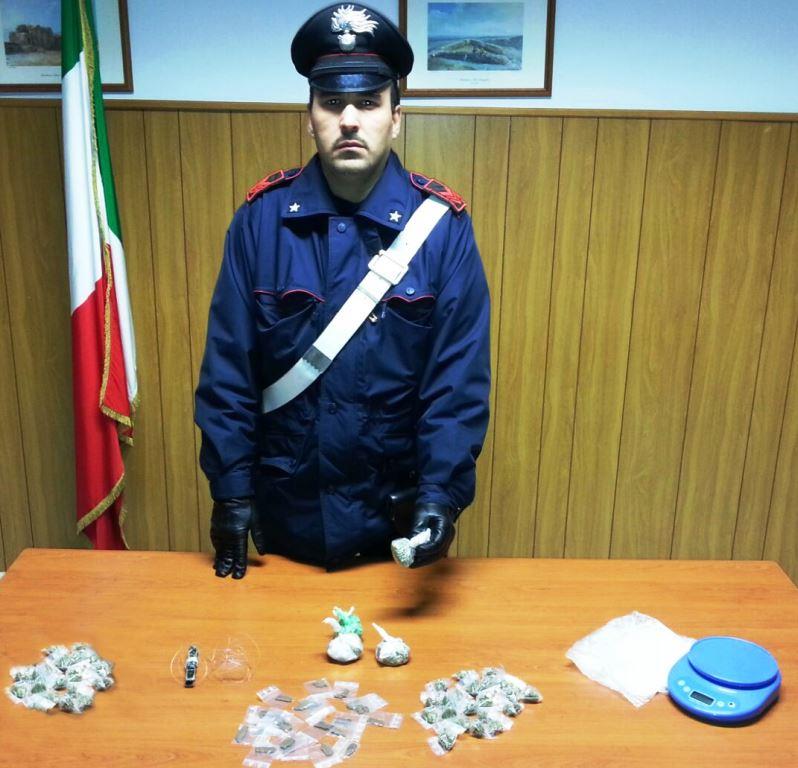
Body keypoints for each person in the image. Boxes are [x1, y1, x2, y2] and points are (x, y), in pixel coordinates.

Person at [195, 3, 490, 578]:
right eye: (331, 103)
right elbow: (229, 371)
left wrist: (441, 495)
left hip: (397, 531)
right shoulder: (260, 221)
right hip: (282, 530)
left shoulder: (442, 230)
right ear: (310, 117)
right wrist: (230, 492)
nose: (349, 119)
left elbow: (456, 385)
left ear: (396, 117)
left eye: (369, 102)